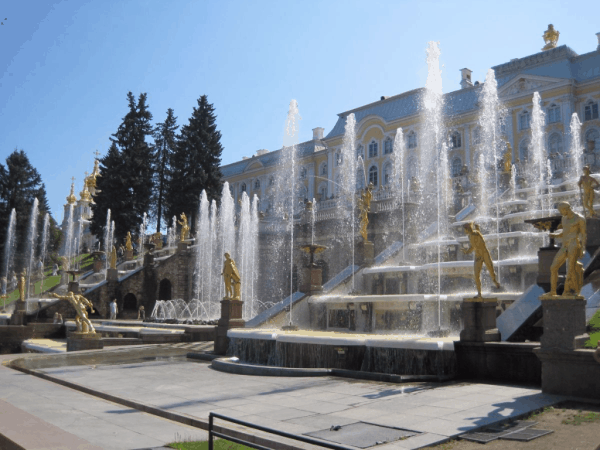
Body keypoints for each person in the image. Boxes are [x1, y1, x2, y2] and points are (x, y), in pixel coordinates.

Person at [543, 201, 586, 297]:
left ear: (566, 209)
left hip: (574, 244)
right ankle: (553, 292)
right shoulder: (564, 218)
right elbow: (565, 232)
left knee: (571, 269)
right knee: (553, 267)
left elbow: (583, 235)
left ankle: (569, 291)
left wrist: (582, 248)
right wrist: (556, 234)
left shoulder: (580, 219)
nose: (560, 213)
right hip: (565, 245)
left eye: (561, 210)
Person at [462, 222, 501, 297]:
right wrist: (466, 252)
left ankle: (495, 282)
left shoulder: (475, 233)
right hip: (477, 256)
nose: (464, 231)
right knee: (476, 275)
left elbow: (480, 240)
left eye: (465, 229)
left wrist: (477, 228)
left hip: (485, 253)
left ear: (467, 229)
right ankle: (479, 293)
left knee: (491, 269)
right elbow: (473, 247)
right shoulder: (470, 237)